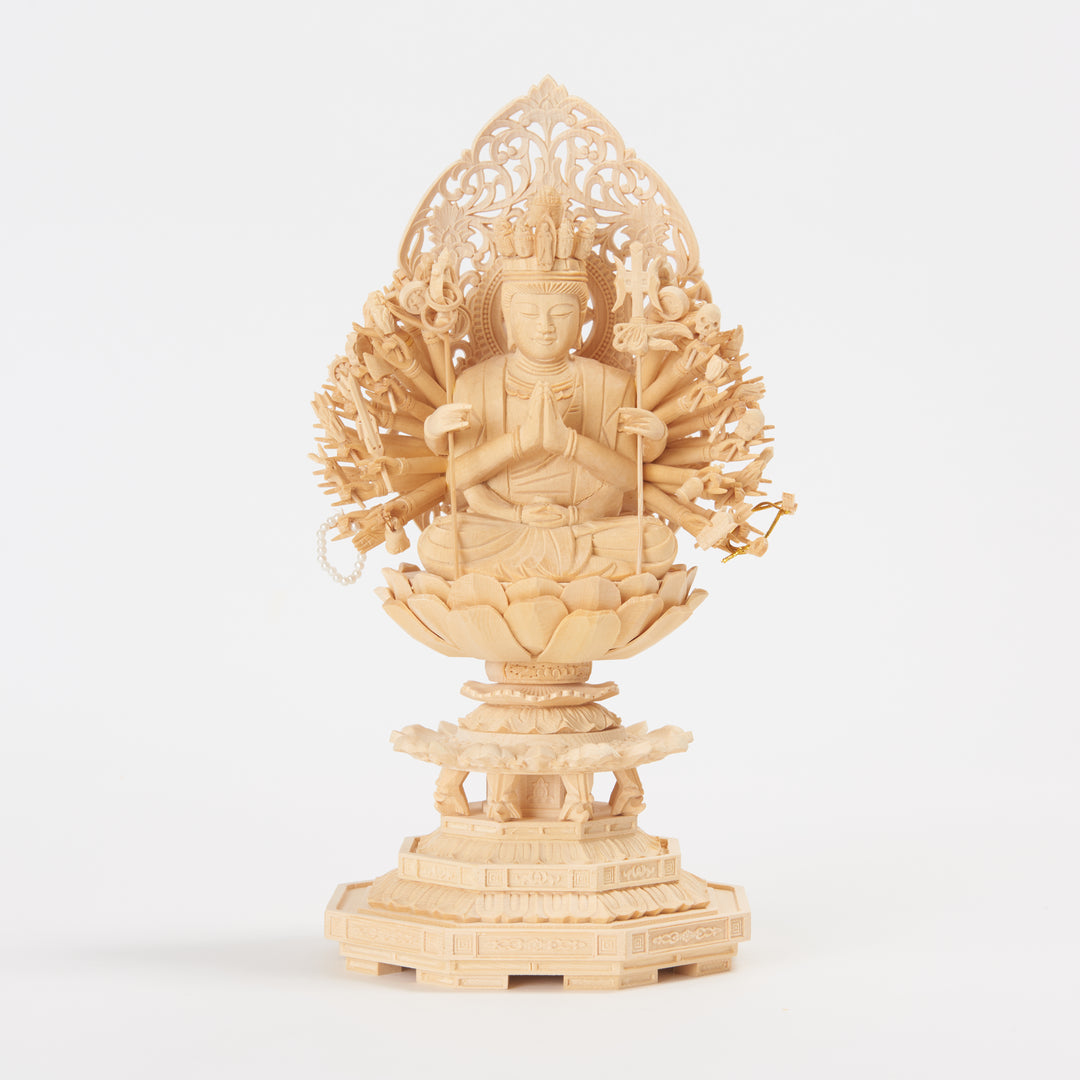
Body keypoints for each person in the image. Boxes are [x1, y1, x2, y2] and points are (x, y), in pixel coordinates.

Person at [417, 210, 677, 582]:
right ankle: (580, 579)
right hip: (502, 527)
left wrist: (567, 446)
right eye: (528, 313)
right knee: (439, 541)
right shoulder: (476, 381)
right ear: (507, 319)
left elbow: (625, 479)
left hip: (585, 527)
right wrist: (521, 448)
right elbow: (460, 479)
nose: (544, 326)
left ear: (582, 319)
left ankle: (510, 581)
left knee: (654, 541)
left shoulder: (611, 383)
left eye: (561, 313)